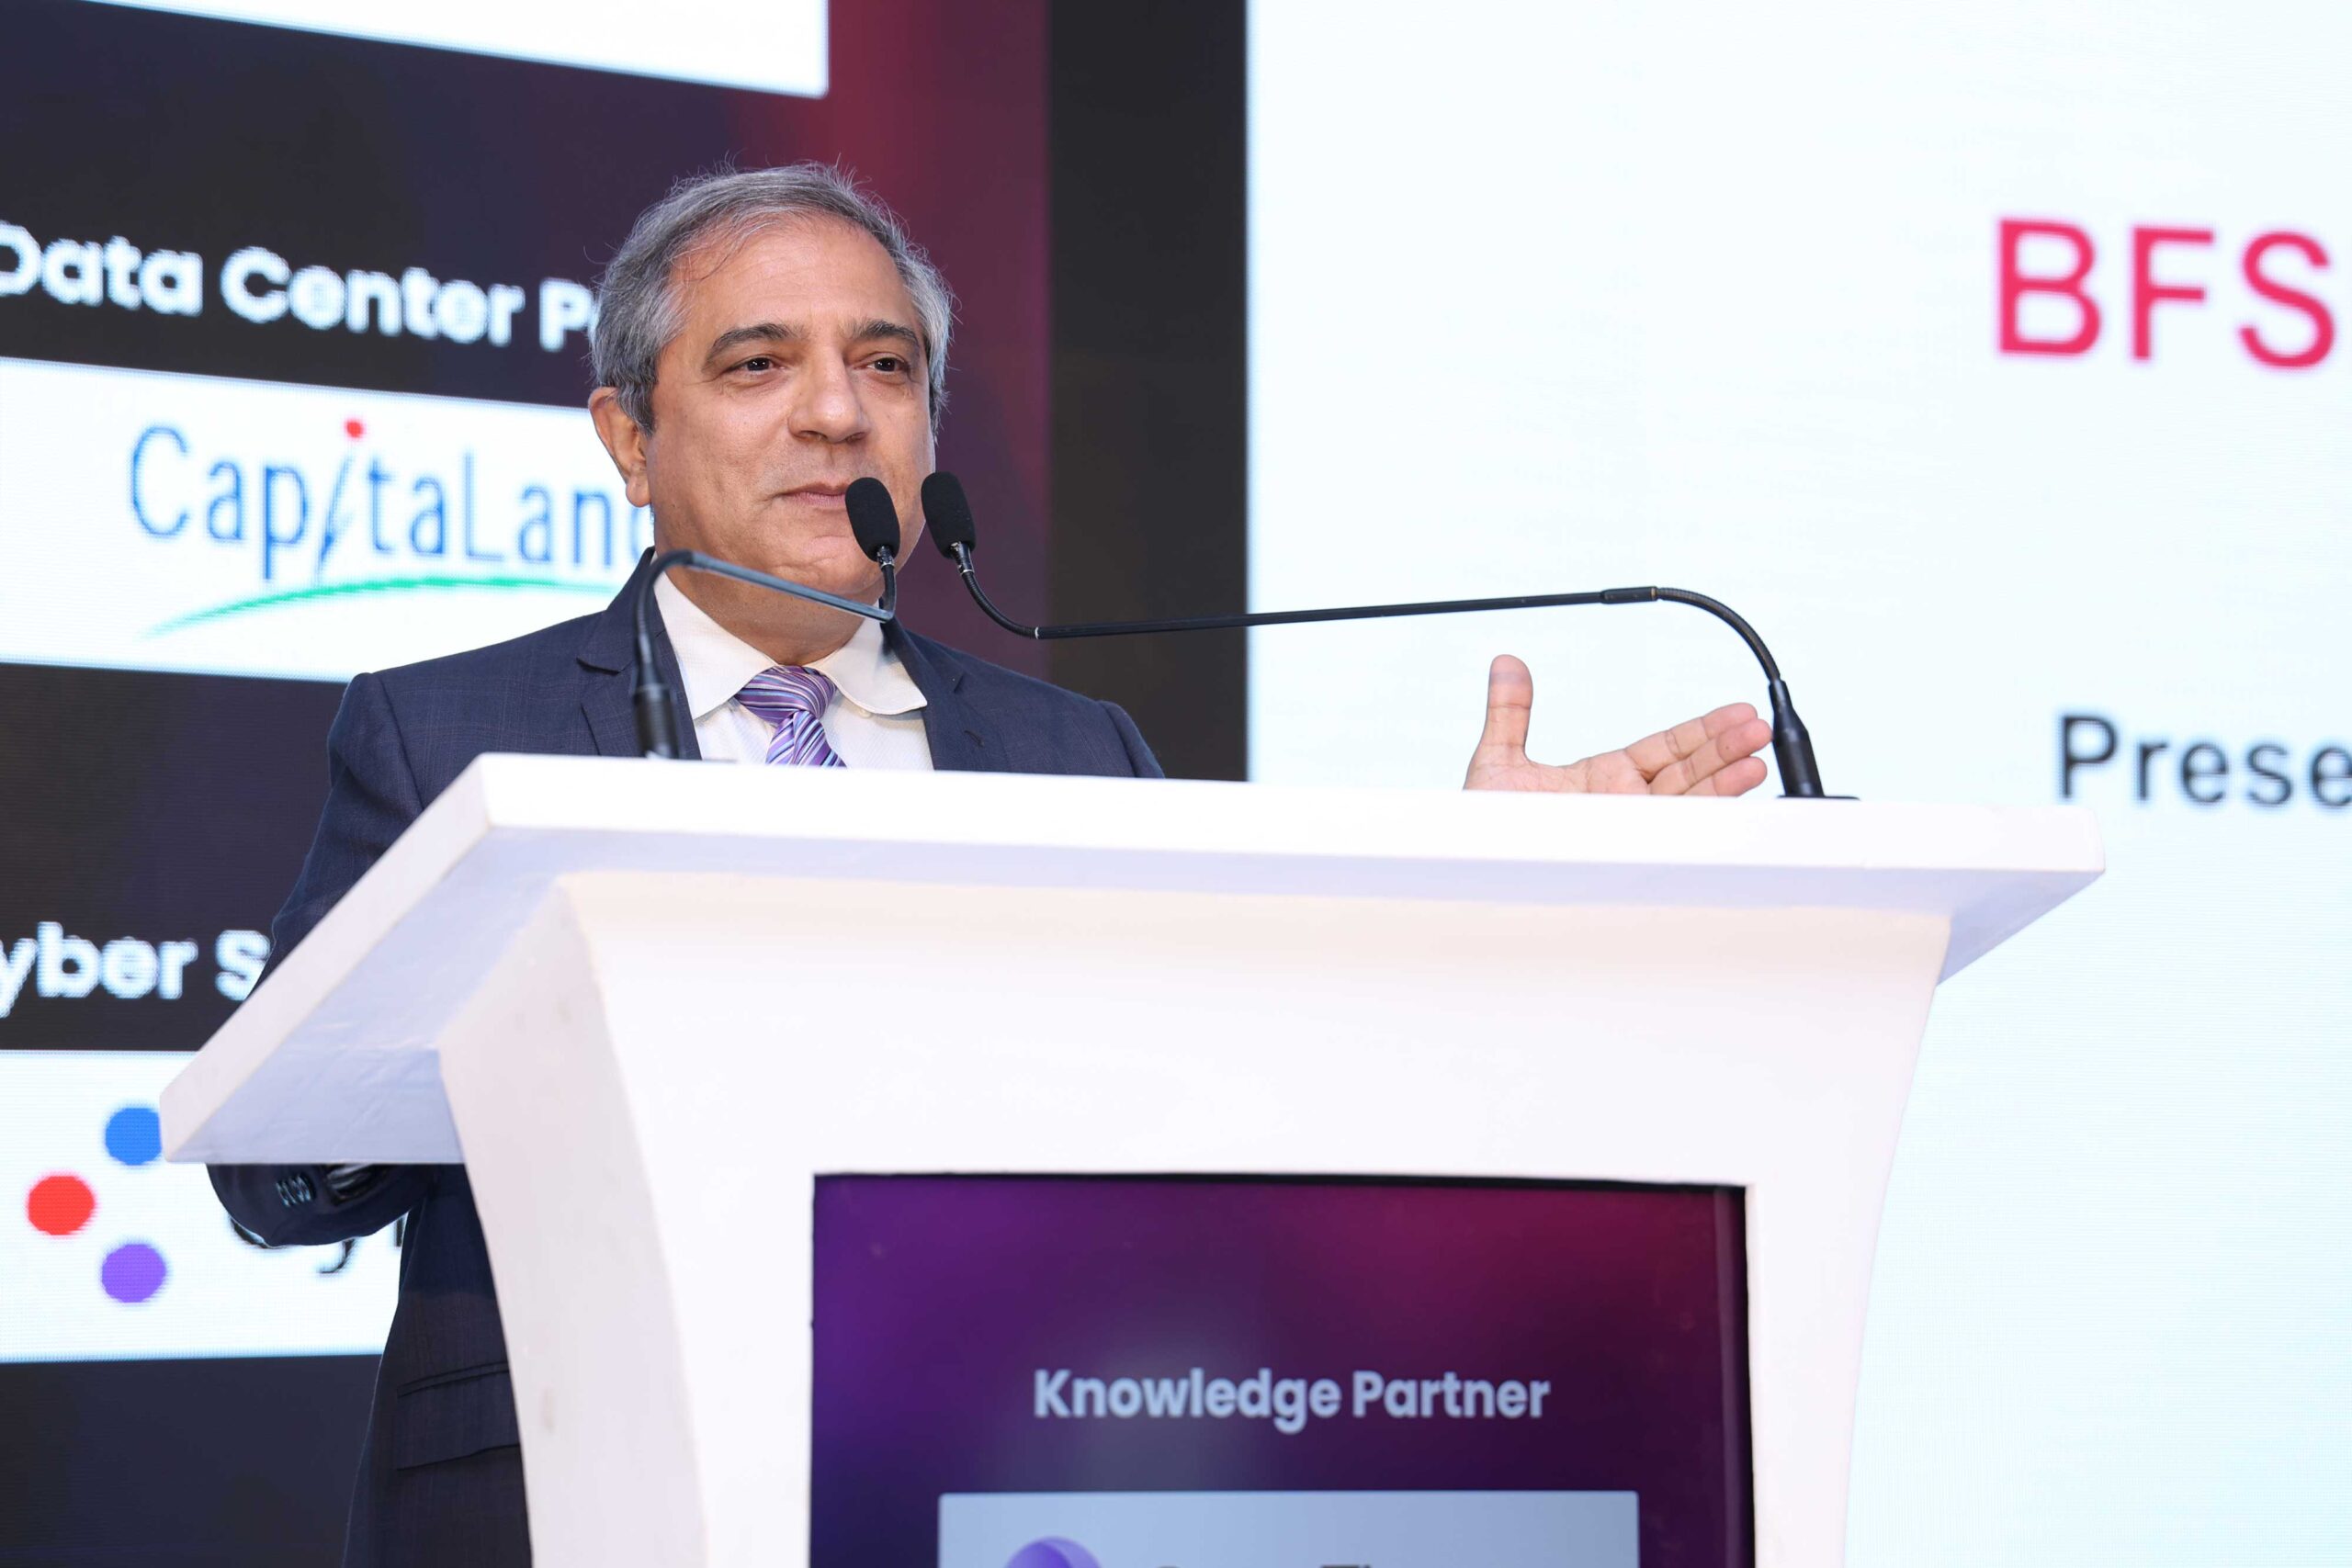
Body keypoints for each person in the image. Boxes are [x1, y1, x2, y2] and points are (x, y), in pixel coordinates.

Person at [209, 164, 1770, 1566]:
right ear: (630, 437)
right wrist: (492, 1020)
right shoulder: (449, 733)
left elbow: (1238, 1108)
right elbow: (274, 1178)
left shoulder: (1074, 750)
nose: (837, 413)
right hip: (569, 1486)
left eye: (886, 366)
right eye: (759, 364)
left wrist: (1478, 890)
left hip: (1001, 1474)